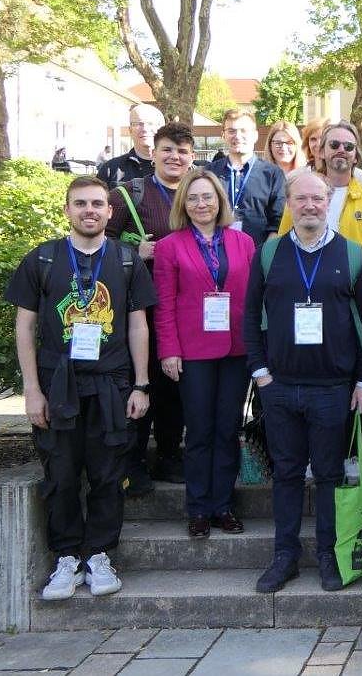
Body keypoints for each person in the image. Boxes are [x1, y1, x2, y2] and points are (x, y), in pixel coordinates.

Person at [4, 176, 157, 600]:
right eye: (80, 203)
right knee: (61, 473)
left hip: (111, 383)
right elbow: (25, 326)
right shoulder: (43, 258)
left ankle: (100, 555)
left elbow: (138, 325)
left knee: (109, 472)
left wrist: (141, 385)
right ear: (67, 210)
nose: (89, 210)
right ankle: (67, 557)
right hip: (57, 384)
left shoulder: (126, 260)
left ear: (109, 211)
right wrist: (31, 390)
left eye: (97, 204)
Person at [244, 171, 362, 594]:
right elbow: (250, 316)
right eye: (301, 198)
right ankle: (284, 556)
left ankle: (328, 553)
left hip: (333, 388)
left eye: (317, 199)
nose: (309, 206)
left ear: (328, 203)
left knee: (329, 474)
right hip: (280, 386)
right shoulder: (269, 254)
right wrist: (261, 373)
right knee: (286, 473)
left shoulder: (352, 255)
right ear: (289, 203)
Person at [152, 168, 257, 538]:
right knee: (199, 431)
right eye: (193, 198)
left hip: (235, 349)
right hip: (192, 351)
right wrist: (168, 350)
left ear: (219, 201)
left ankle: (223, 506)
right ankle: (198, 508)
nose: (201, 204)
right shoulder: (169, 246)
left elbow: (254, 299)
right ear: (184, 203)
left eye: (207, 197)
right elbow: (164, 305)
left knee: (228, 429)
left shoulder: (243, 242)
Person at [106, 121, 191, 491]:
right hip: (140, 311)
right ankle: (134, 462)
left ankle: (170, 456)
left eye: (182, 151)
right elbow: (97, 241)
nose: (174, 157)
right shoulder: (128, 194)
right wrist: (133, 250)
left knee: (174, 387)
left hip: (184, 309)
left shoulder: (197, 193)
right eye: (167, 149)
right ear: (153, 153)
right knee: (141, 383)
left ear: (192, 157)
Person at [278, 121, 362, 295]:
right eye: (334, 145)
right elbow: (283, 245)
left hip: (354, 294)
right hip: (304, 291)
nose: (341, 150)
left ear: (356, 156)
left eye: (349, 146)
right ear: (321, 151)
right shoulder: (298, 196)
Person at [205, 110, 287, 247]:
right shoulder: (209, 173)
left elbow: (278, 221)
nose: (237, 136)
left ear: (255, 135)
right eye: (231, 131)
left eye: (244, 131)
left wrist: (263, 254)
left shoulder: (273, 174)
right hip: (215, 253)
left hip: (258, 252)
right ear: (223, 135)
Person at [98, 104, 165, 188]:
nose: (144, 129)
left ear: (162, 129)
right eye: (138, 124)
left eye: (151, 124)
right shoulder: (111, 169)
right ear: (130, 130)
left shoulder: (174, 167)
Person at [298, 117, 362, 187]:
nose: (319, 143)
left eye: (322, 138)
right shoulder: (298, 176)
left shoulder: (358, 175)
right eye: (313, 139)